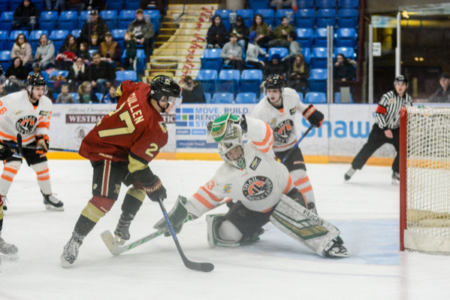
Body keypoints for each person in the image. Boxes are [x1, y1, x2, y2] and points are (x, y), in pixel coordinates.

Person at [153, 112, 348, 258]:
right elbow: (205, 197)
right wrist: (179, 216)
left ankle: (329, 240)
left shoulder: (257, 148)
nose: (235, 155)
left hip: (286, 197)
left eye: (237, 150)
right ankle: (252, 231)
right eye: (230, 154)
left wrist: (244, 123)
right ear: (223, 154)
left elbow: (265, 133)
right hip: (256, 210)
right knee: (225, 234)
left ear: (240, 144)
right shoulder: (224, 176)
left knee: (297, 219)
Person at [60, 76, 183, 267]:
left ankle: (122, 227)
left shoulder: (141, 88)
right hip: (107, 150)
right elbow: (136, 165)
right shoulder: (156, 129)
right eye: (169, 99)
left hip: (117, 148)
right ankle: (74, 241)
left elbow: (121, 88)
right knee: (104, 200)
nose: (172, 104)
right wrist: (154, 184)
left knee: (140, 185)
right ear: (157, 96)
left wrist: (121, 113)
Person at [252, 74, 323, 212]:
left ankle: (311, 208)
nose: (271, 95)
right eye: (269, 91)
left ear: (281, 91)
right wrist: (271, 159)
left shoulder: (291, 96)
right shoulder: (261, 112)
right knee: (268, 183)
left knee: (300, 175)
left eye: (275, 91)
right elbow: (261, 139)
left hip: (292, 146)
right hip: (270, 150)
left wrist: (311, 115)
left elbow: (300, 107)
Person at [0, 74, 64, 211]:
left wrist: (42, 138)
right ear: (29, 88)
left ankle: (47, 196)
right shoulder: (12, 100)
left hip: (30, 139)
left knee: (42, 166)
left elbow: (43, 123)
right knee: (13, 165)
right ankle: (1, 197)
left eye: (42, 88)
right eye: (37, 88)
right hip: (9, 139)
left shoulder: (47, 103)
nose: (40, 92)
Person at [345, 75, 413, 184]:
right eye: (398, 84)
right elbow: (379, 114)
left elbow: (408, 116)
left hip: (396, 130)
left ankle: (396, 172)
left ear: (406, 86)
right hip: (381, 129)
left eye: (403, 85)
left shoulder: (408, 99)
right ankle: (354, 167)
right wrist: (385, 128)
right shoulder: (387, 97)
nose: (400, 87)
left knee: (404, 149)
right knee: (368, 148)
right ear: (395, 85)